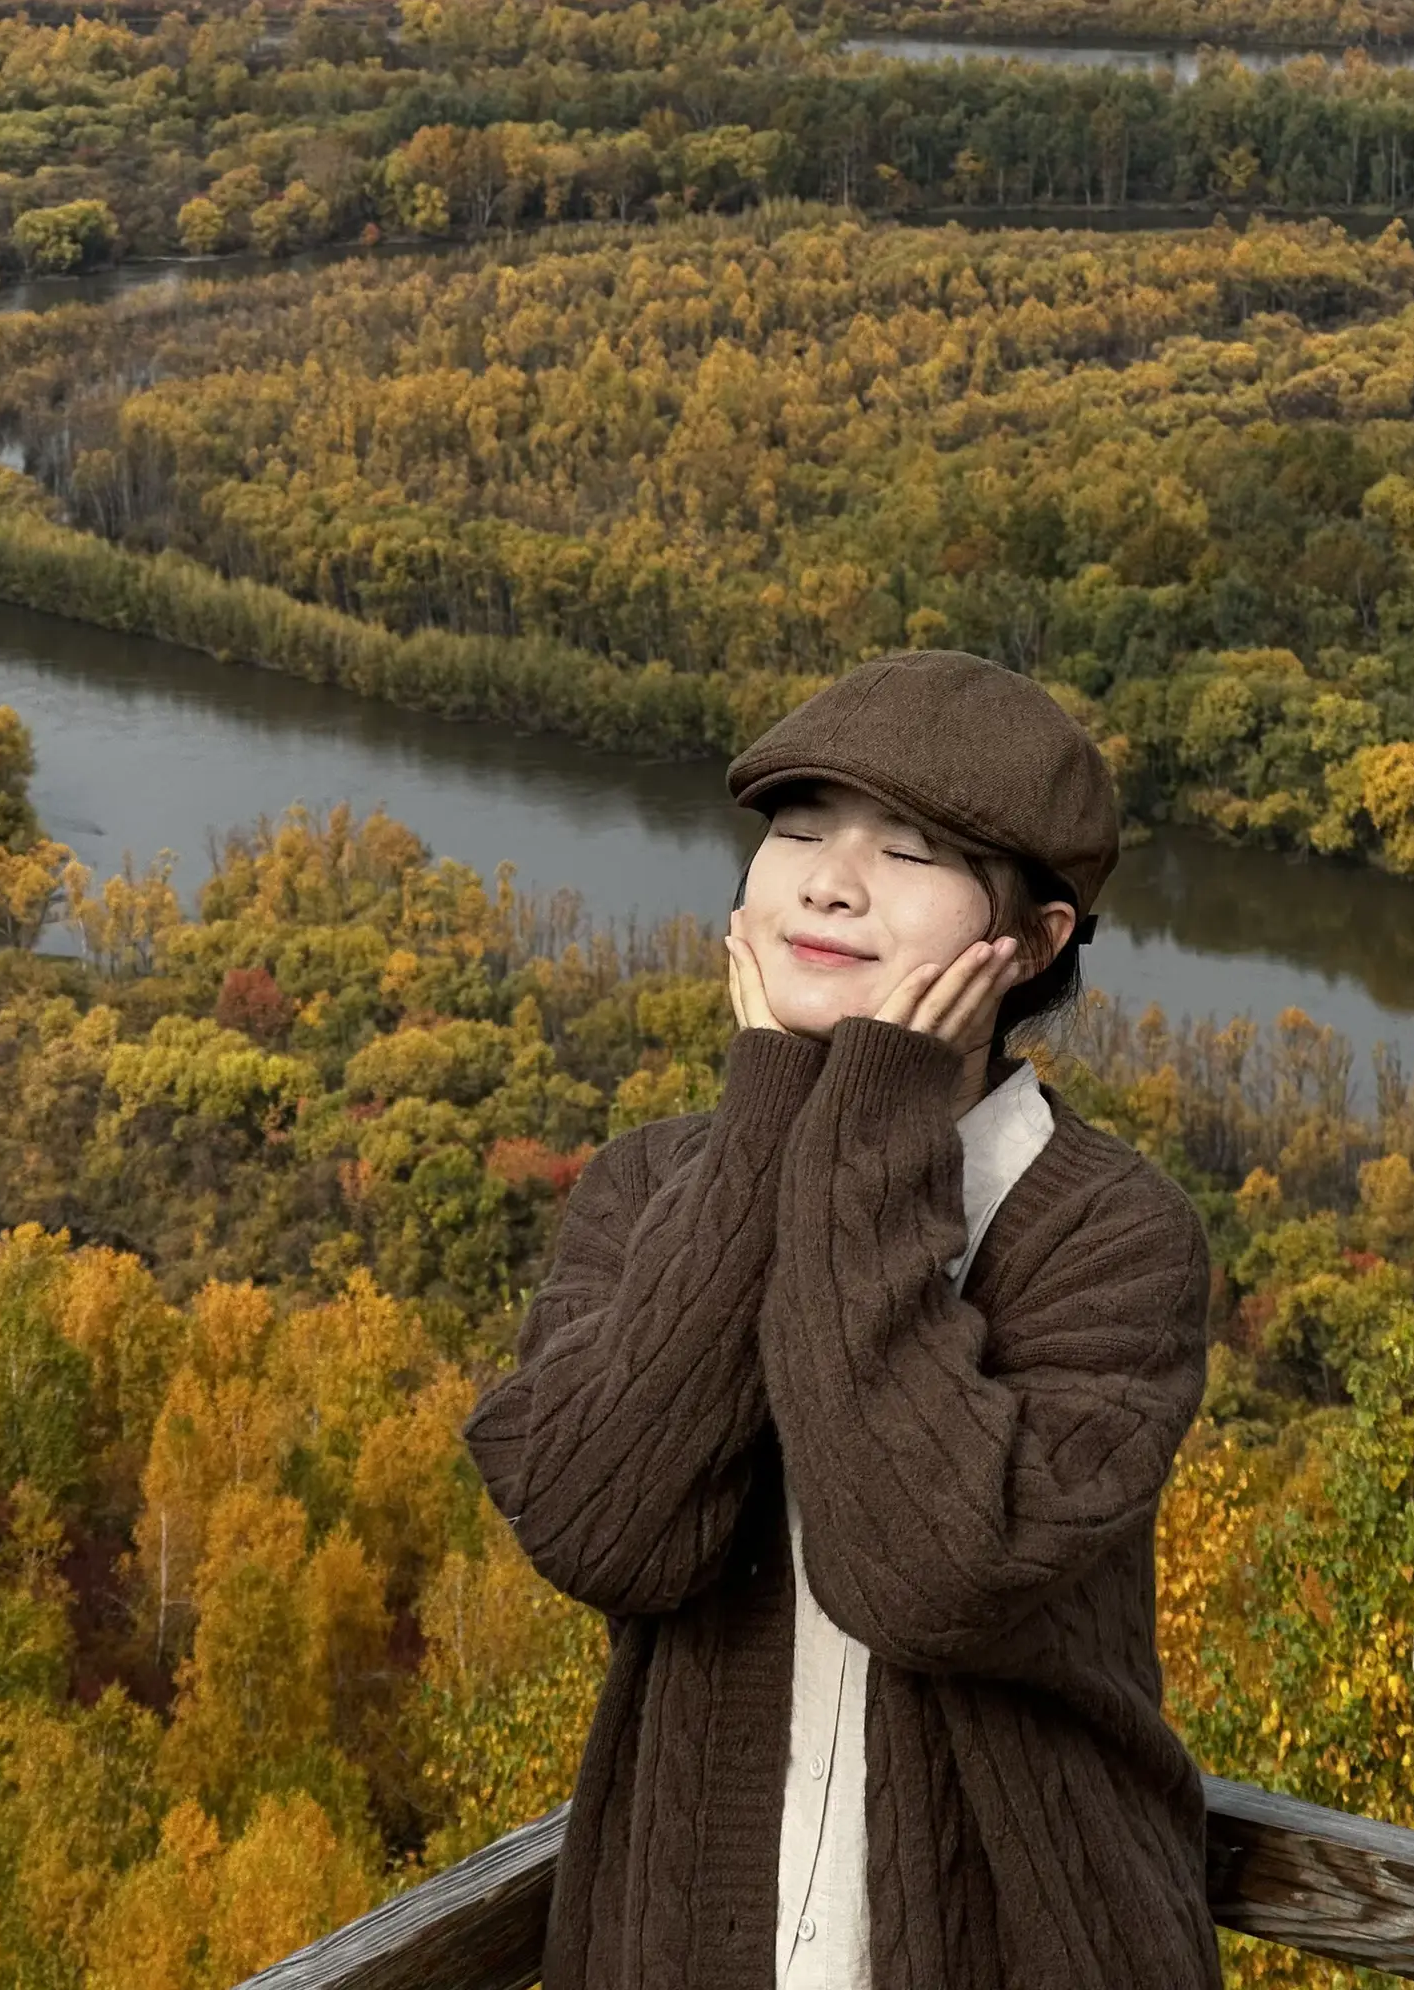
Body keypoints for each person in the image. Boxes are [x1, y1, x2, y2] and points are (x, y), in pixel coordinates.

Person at [464, 651, 1219, 1990]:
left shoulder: (1114, 1238)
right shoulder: (647, 1187)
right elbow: (599, 1526)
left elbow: (924, 1575)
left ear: (1035, 940)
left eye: (910, 851)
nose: (828, 878)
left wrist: (864, 1142)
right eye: (800, 832)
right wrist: (767, 1138)